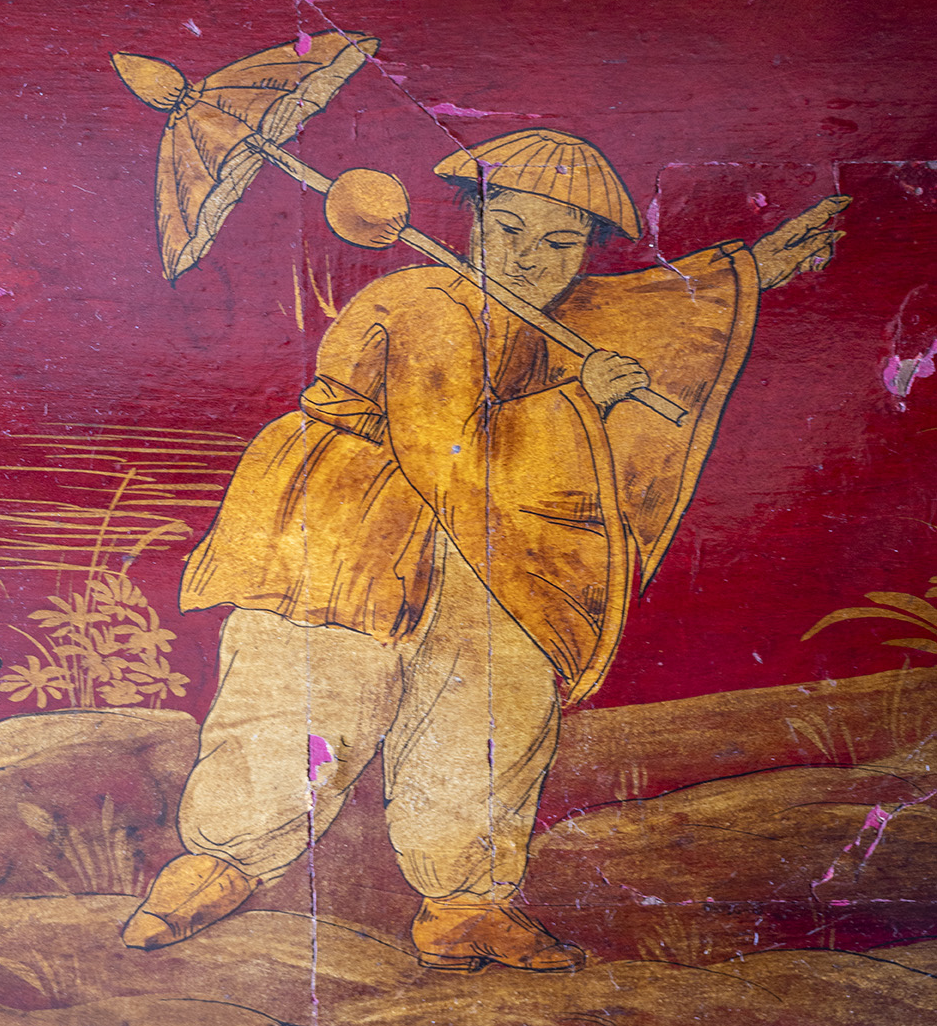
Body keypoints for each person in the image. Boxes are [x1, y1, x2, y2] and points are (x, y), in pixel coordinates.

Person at [122, 129, 846, 971]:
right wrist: (577, 399)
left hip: (491, 535)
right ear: (472, 221)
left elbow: (643, 314)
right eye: (510, 231)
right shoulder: (428, 301)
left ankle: (465, 900)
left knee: (490, 707)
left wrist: (750, 272)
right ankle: (220, 861)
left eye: (560, 243)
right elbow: (445, 446)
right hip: (356, 518)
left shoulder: (542, 316)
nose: (532, 258)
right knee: (308, 697)